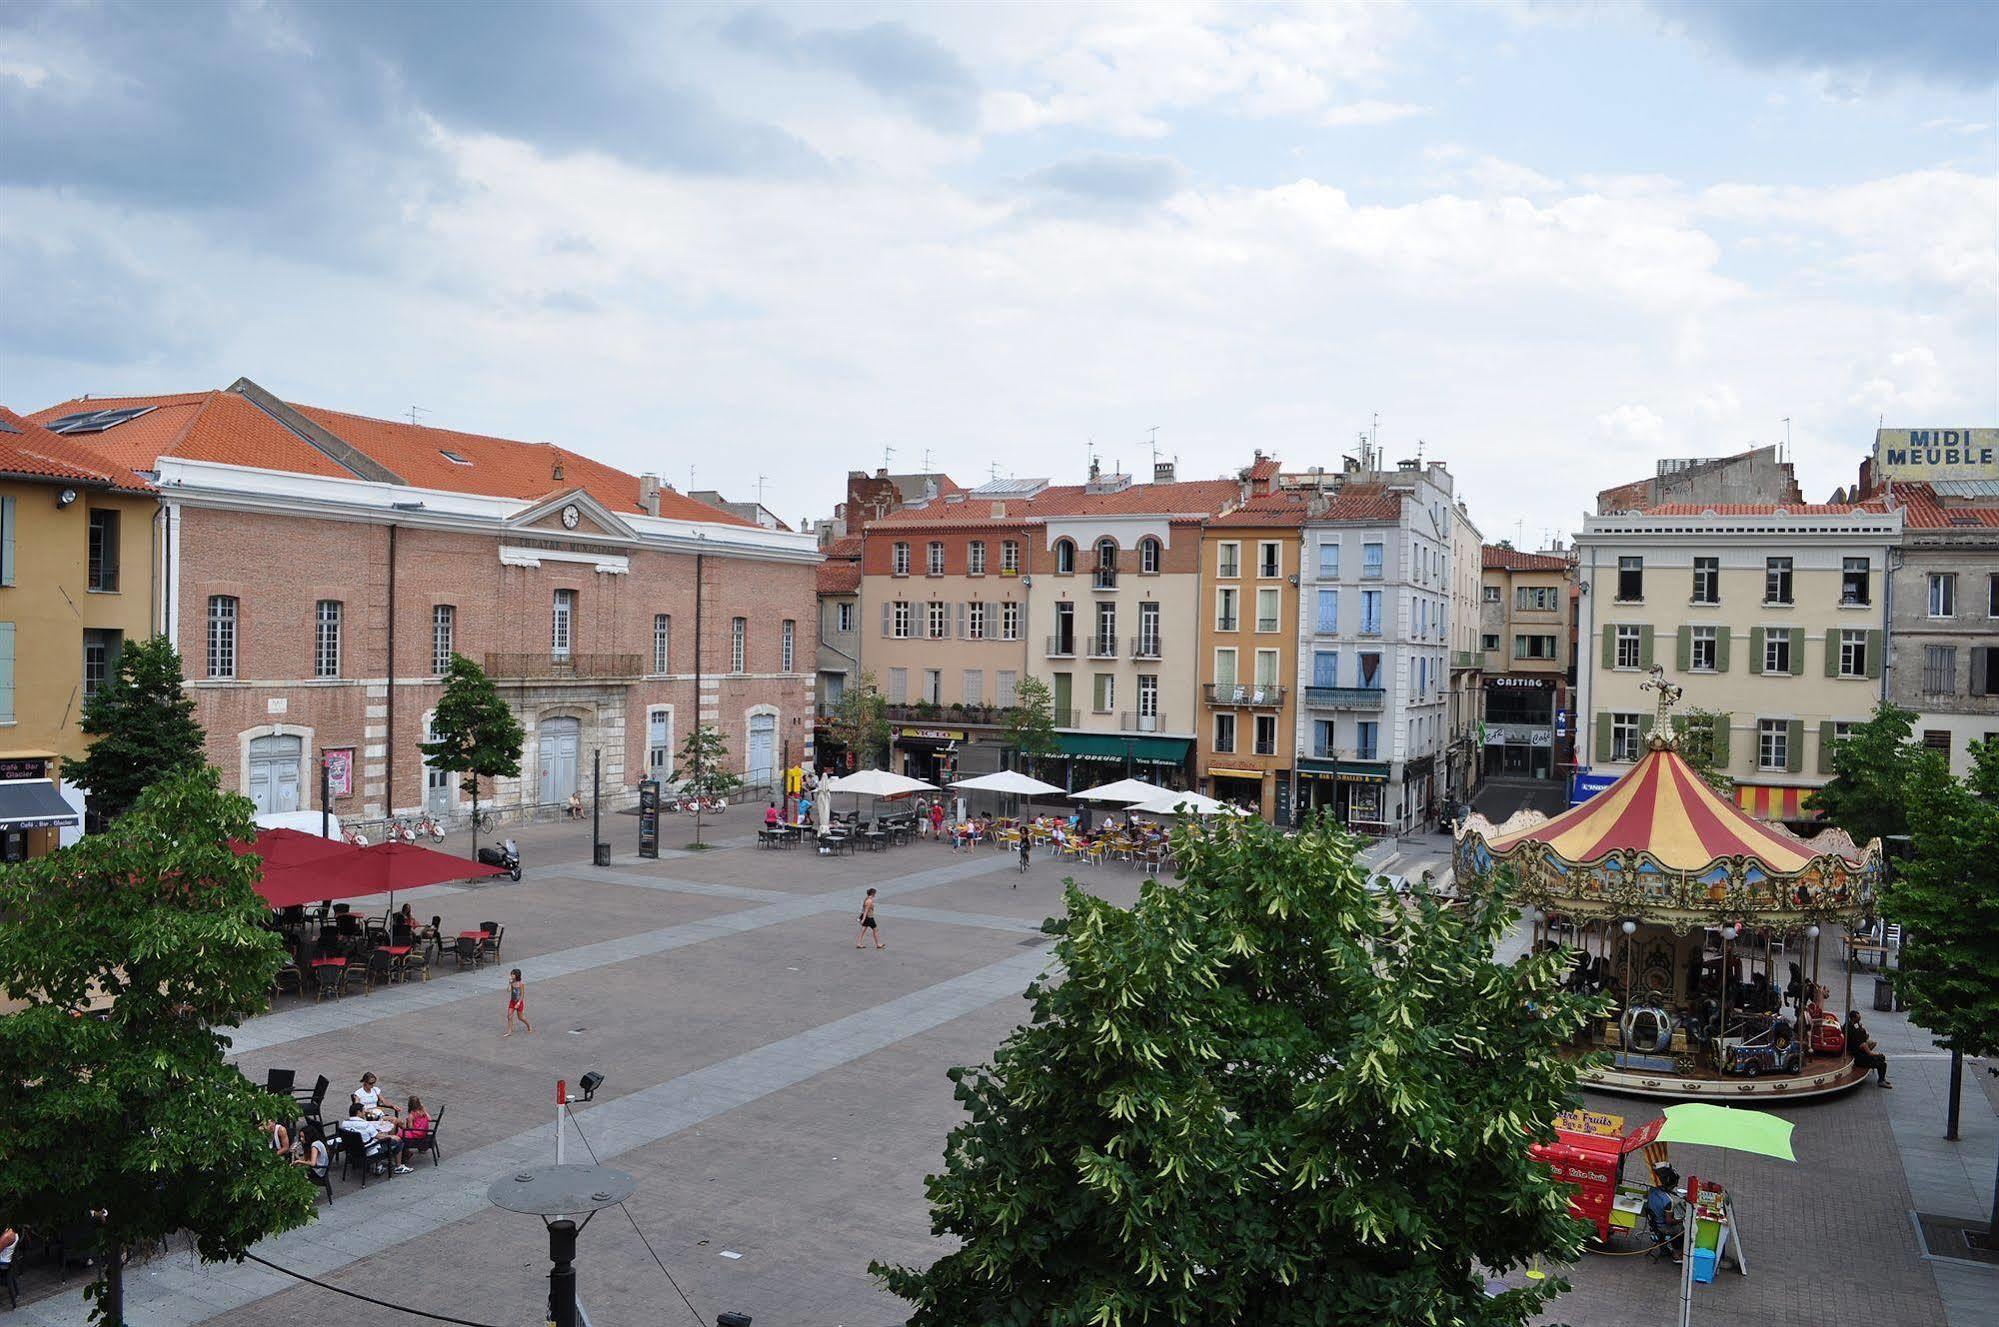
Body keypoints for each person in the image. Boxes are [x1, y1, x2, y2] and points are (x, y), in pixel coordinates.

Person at [1643, 1165, 1684, 1263]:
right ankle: (1677, 1254)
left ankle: (1667, 1247)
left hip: (1654, 1222)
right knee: (1683, 1229)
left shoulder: (1652, 1190)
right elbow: (1669, 1221)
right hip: (1662, 1227)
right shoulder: (1668, 1201)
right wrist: (1682, 1219)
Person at [1847, 1010, 1892, 1087]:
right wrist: (1861, 1030)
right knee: (1882, 1063)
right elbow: (1865, 1045)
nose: (1859, 1019)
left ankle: (1882, 1079)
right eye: (1858, 1018)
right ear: (1853, 1018)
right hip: (1858, 1057)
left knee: (1881, 1058)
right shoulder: (1853, 1032)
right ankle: (1881, 1081)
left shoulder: (1853, 1028)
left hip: (1860, 1053)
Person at [396, 1096, 431, 1173]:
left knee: (398, 1135)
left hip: (416, 1133)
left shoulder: (411, 1115)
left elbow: (410, 1128)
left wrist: (404, 1125)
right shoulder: (422, 1112)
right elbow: (430, 1119)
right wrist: (424, 1109)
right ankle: (406, 1152)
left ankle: (404, 1153)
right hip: (423, 1132)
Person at [506, 968, 532, 1036]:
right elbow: (508, 990)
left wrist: (518, 1003)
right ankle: (509, 1031)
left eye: (513, 974)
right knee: (509, 1016)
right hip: (512, 1001)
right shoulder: (512, 983)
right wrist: (509, 983)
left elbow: (522, 994)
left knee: (520, 1017)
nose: (511, 975)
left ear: (517, 975)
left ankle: (528, 1025)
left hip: (519, 1003)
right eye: (511, 974)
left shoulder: (521, 984)